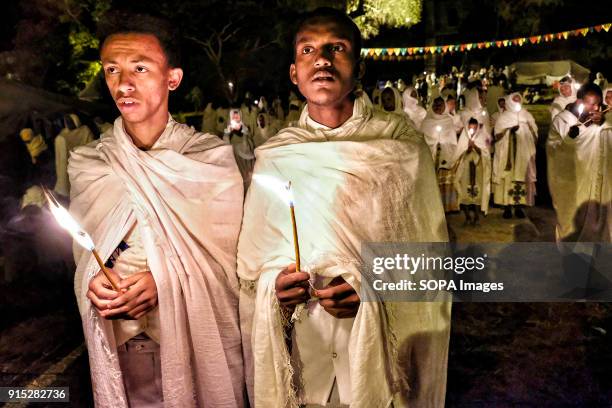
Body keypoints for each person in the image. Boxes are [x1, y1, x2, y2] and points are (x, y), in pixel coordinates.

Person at [237, 8, 450, 408]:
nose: (321, 59)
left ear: (360, 68)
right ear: (293, 73)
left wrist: (373, 289)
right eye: (308, 50)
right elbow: (251, 268)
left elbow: (427, 256)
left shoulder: (399, 146)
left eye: (337, 48)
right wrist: (275, 287)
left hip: (379, 356)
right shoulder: (276, 155)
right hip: (303, 350)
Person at [68, 13, 245, 407]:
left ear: (173, 79)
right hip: (122, 343)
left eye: (140, 68)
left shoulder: (209, 159)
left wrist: (161, 281)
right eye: (112, 70)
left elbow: (229, 267)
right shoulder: (89, 162)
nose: (123, 84)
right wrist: (93, 281)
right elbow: (84, 254)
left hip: (191, 340)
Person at [547, 83, 609, 241]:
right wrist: (573, 135)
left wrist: (601, 124)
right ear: (580, 102)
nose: (595, 108)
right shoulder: (563, 120)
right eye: (591, 103)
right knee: (569, 219)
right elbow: (561, 149)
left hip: (588, 177)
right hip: (568, 180)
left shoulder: (597, 121)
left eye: (598, 104)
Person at [492, 93, 538, 219]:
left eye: (519, 100)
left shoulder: (526, 115)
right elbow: (497, 135)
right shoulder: (504, 117)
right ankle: (507, 207)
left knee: (521, 178)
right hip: (509, 155)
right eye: (514, 100)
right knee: (508, 178)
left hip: (523, 154)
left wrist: (528, 129)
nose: (517, 102)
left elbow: (534, 132)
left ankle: (519, 207)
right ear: (510, 101)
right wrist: (509, 131)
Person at [421, 96, 460, 212]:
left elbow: (453, 141)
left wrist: (443, 146)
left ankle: (445, 208)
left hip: (445, 160)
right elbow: (422, 142)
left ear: (444, 106)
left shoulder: (448, 121)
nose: (438, 107)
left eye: (440, 105)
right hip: (430, 161)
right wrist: (433, 145)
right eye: (436, 105)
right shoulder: (426, 122)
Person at [453, 118, 492, 225]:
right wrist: (467, 149)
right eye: (470, 128)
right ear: (467, 127)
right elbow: (459, 153)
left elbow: (486, 154)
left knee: (477, 194)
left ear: (477, 127)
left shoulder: (481, 136)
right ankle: (467, 217)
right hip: (465, 170)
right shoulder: (464, 137)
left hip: (478, 169)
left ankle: (476, 217)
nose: (472, 130)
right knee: (465, 194)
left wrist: (475, 146)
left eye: (474, 128)